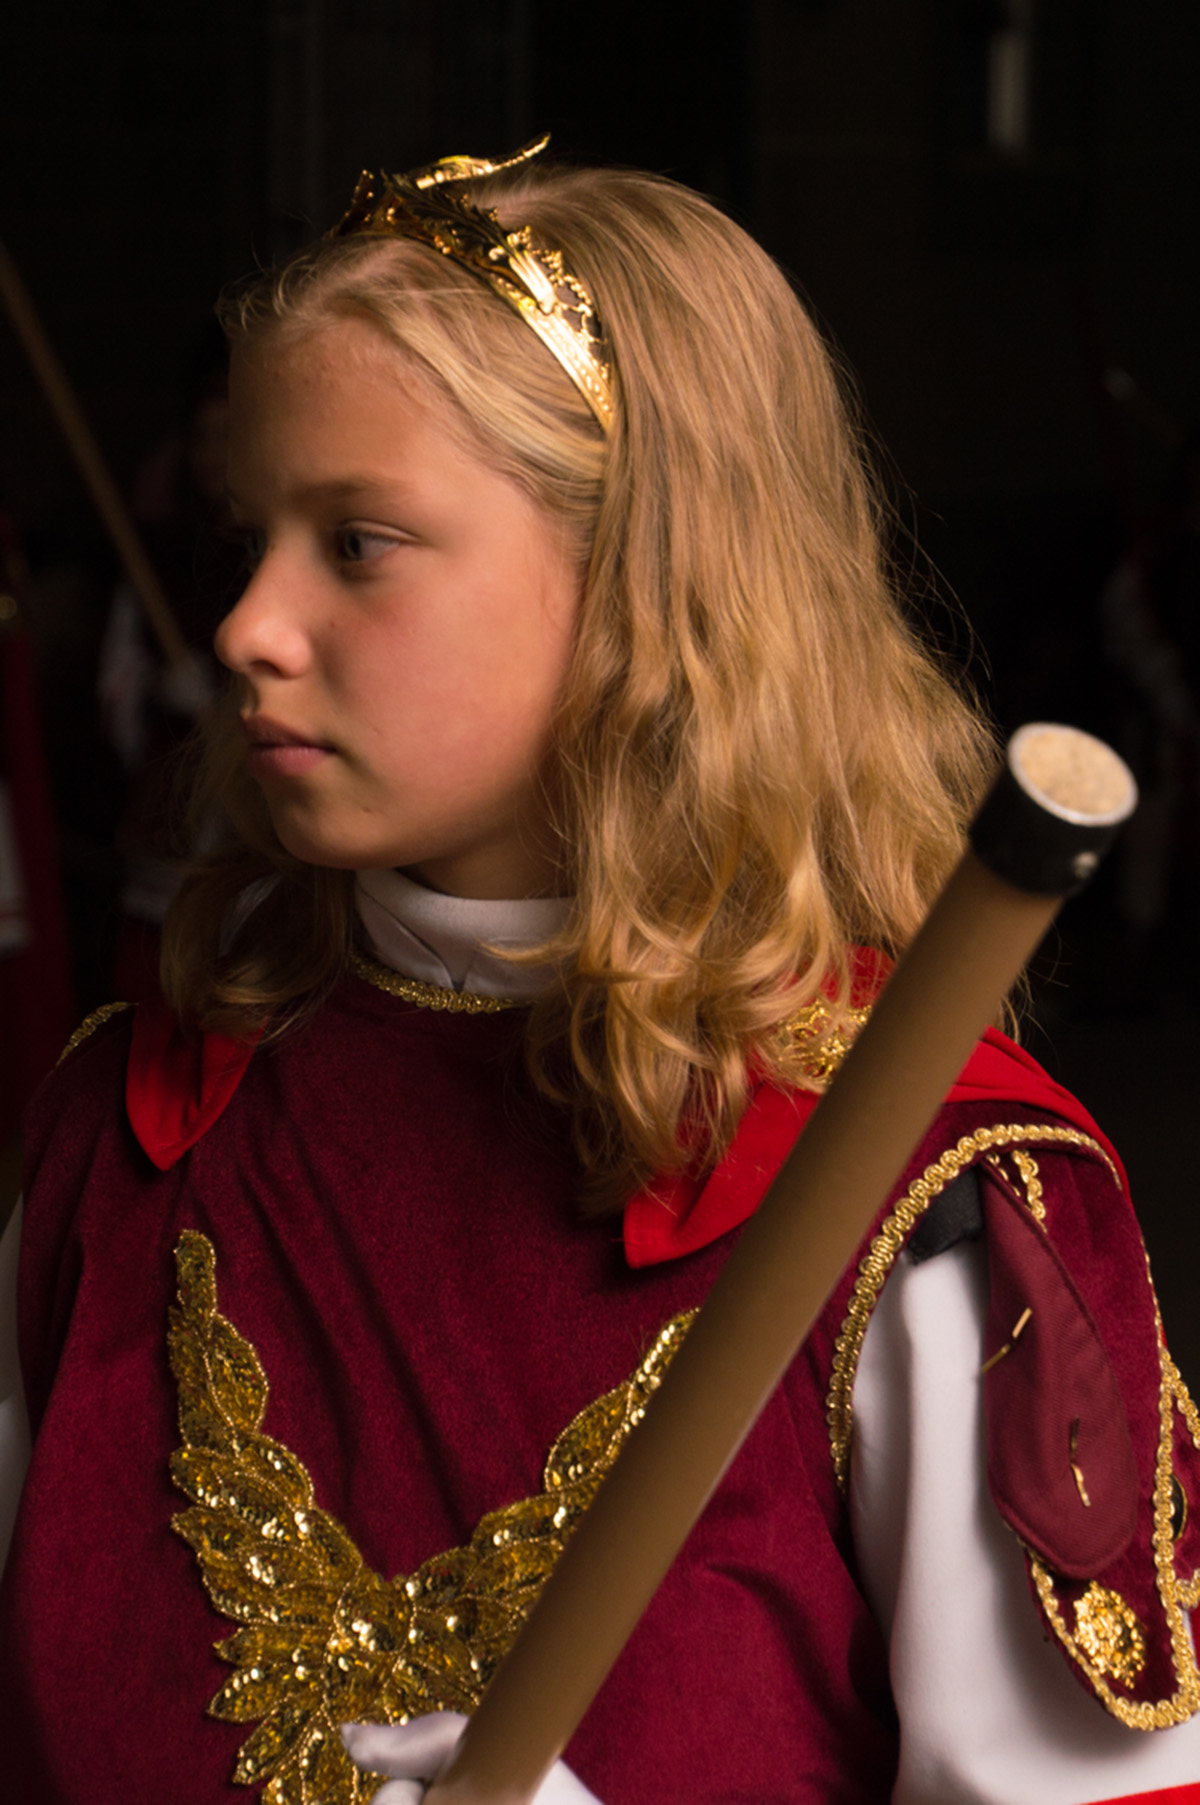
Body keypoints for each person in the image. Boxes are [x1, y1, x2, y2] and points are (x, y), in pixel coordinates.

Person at [1, 139, 1198, 1804]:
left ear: (644, 583)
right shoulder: (131, 1131)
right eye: (249, 533)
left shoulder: (924, 1205)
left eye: (359, 541)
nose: (247, 625)